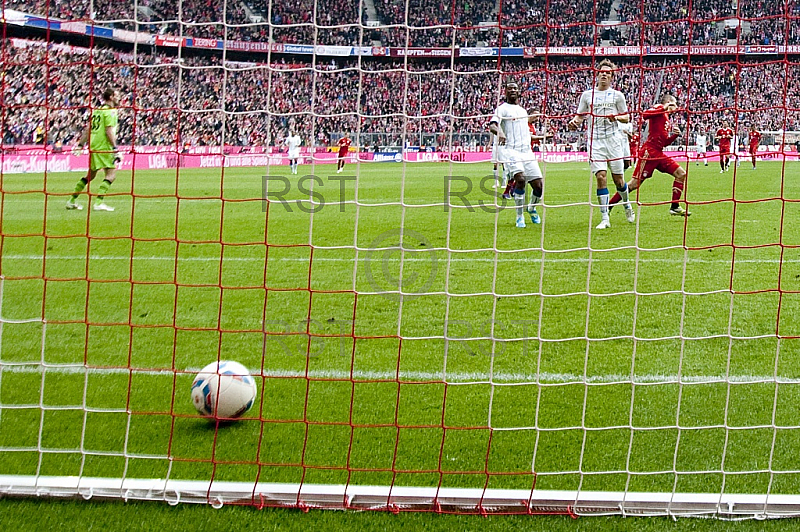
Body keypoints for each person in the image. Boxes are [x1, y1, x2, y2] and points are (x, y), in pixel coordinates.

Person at [568, 59, 633, 229]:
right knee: (600, 177)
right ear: (597, 74)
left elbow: (626, 117)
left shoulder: (618, 95)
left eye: (608, 73)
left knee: (619, 180)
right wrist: (574, 122)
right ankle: (605, 218)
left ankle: (627, 204)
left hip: (613, 141)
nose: (604, 74)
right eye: (602, 72)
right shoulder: (587, 95)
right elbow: (580, 115)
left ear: (612, 77)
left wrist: (616, 117)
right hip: (595, 141)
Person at [608, 94, 691, 217]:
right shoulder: (659, 108)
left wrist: (674, 136)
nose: (677, 107)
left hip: (659, 153)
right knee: (633, 184)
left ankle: (675, 206)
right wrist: (665, 107)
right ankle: (608, 206)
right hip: (649, 152)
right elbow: (645, 114)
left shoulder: (666, 117)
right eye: (674, 103)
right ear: (668, 102)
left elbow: (664, 143)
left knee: (681, 174)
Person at [488, 81, 544, 229]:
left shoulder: (523, 111)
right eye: (509, 88)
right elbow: (493, 124)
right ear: (505, 92)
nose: (512, 90)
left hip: (526, 151)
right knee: (520, 179)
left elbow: (525, 134)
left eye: (515, 88)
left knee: (539, 187)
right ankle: (519, 216)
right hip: (511, 151)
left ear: (519, 92)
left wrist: (542, 137)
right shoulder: (502, 109)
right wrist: (500, 132)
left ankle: (531, 208)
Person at [67, 88, 122, 212]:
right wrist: (115, 148)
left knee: (90, 176)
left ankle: (71, 201)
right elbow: (109, 131)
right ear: (111, 97)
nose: (119, 98)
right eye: (117, 95)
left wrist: (81, 145)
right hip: (104, 147)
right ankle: (99, 202)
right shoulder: (111, 112)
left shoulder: (97, 111)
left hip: (94, 146)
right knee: (111, 175)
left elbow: (88, 129)